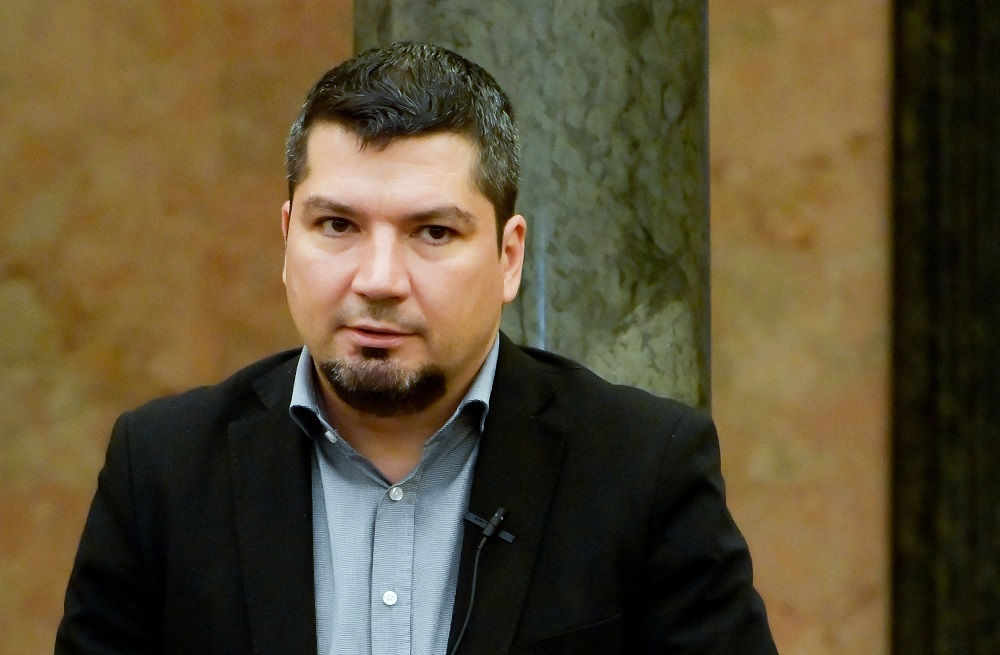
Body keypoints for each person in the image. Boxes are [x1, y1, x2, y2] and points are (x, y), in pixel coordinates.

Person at [56, 42, 777, 655]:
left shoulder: (643, 468)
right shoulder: (163, 470)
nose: (378, 280)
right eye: (337, 225)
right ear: (286, 237)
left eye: (433, 232)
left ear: (508, 257)